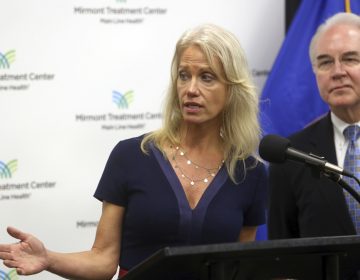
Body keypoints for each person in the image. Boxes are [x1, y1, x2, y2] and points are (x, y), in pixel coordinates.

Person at [0, 24, 267, 279]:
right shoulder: (131, 156)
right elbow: (103, 260)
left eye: (206, 77)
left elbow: (240, 268)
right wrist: (48, 258)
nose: (191, 89)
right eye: (184, 75)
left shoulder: (250, 173)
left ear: (232, 89)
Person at [267, 12, 360, 279]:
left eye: (350, 58)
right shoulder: (290, 156)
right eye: (325, 62)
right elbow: (281, 258)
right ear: (315, 73)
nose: (338, 71)